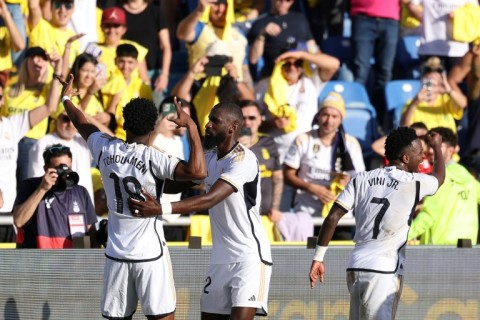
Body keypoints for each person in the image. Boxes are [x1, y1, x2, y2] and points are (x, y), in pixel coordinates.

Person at [57, 73, 206, 319]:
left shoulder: (105, 147)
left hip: (116, 253)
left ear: (124, 125)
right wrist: (190, 125)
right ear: (153, 127)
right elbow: (198, 172)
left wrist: (66, 98)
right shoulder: (153, 157)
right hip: (150, 255)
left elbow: (81, 122)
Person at [129, 102, 272, 320]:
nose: (208, 124)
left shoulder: (245, 159)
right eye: (208, 119)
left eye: (215, 121)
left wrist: (160, 208)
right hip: (219, 259)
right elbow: (175, 184)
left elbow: (209, 199)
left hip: (249, 258)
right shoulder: (210, 158)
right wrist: (134, 181)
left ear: (233, 127)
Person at [309, 127, 446, 319]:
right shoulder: (414, 182)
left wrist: (318, 257)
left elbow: (332, 217)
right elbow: (439, 178)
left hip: (356, 266)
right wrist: (437, 147)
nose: (422, 158)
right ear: (406, 158)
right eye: (419, 154)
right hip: (383, 270)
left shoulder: (362, 178)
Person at [283, 91, 365, 239]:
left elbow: (361, 179)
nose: (329, 121)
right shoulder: (303, 139)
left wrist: (348, 181)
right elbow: (287, 175)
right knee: (308, 259)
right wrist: (311, 187)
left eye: (335, 116)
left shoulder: (351, 144)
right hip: (307, 215)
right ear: (318, 116)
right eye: (325, 114)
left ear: (341, 119)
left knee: (339, 259)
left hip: (340, 214)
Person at [0, 67, 61, 242]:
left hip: (9, 214)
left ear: (3, 100)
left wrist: (57, 71)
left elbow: (50, 107)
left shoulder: (11, 125)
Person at [13, 143, 98, 249]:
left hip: (74, 261)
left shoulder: (80, 192)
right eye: (59, 168)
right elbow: (19, 221)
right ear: (46, 169)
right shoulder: (31, 186)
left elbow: (91, 234)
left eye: (68, 168)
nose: (65, 173)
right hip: (40, 261)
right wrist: (42, 189)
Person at [409, 127, 480, 245]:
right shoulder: (470, 179)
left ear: (451, 150)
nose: (431, 151)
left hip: (438, 248)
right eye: (429, 146)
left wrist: (401, 237)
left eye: (437, 146)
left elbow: (428, 216)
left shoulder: (438, 179)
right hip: (467, 246)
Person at [348, 0, 401, 122]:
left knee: (385, 71)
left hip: (390, 19)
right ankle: (358, 117)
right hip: (363, 17)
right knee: (360, 71)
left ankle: (380, 120)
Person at [176, 0, 251, 84]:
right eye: (216, 4)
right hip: (200, 88)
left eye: (225, 4)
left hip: (232, 89)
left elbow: (245, 70)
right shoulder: (199, 28)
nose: (221, 9)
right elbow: (182, 34)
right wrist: (199, 11)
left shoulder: (240, 35)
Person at [27, 111, 95, 201]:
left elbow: (111, 142)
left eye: (74, 120)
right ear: (55, 120)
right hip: (54, 205)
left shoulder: (85, 141)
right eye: (66, 119)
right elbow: (35, 181)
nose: (71, 124)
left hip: (83, 204)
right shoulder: (42, 144)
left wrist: (86, 116)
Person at [247, 0, 318, 79]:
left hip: (301, 71)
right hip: (275, 73)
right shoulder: (260, 22)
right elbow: (253, 59)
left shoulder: (300, 19)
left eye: (288, 0)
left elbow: (312, 46)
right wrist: (262, 35)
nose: (283, 2)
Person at [122, 0, 172, 106]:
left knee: (156, 113)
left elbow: (166, 46)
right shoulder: (119, 12)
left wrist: (164, 74)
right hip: (125, 73)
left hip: (152, 74)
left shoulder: (155, 12)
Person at [400, 57, 466, 133]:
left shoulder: (446, 100)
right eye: (429, 83)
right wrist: (415, 103)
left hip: (447, 142)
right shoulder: (412, 103)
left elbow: (463, 104)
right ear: (423, 82)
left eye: (435, 84)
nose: (431, 88)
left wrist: (449, 90)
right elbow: (404, 127)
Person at [102, 43, 153, 140]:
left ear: (137, 63)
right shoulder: (109, 83)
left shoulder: (142, 87)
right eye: (122, 61)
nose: (125, 66)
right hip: (113, 135)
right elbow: (108, 115)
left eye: (130, 62)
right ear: (115, 61)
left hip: (137, 137)